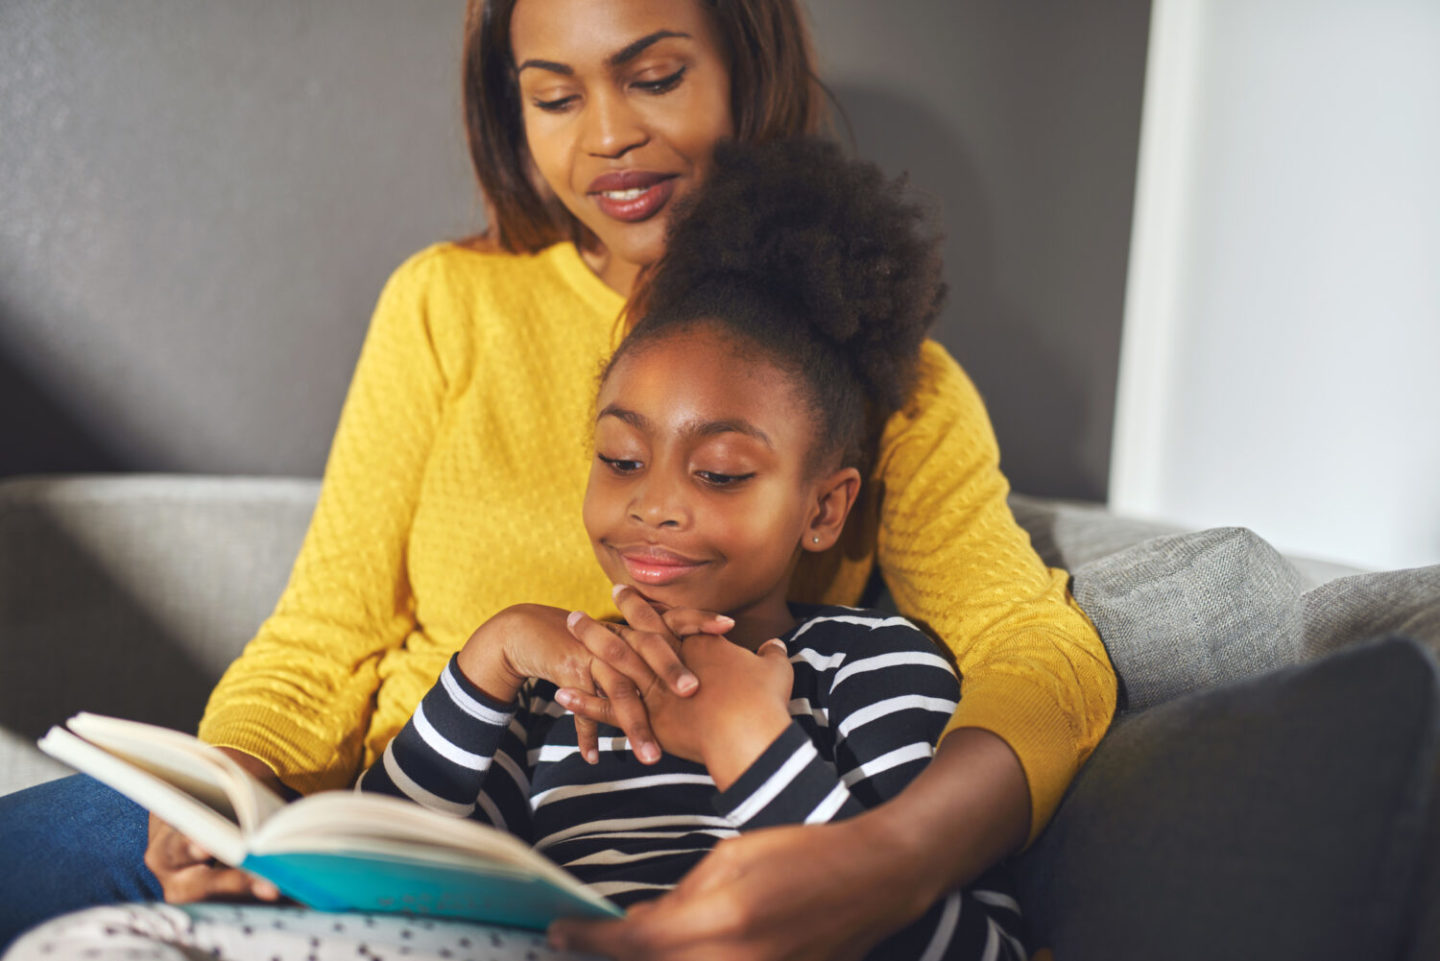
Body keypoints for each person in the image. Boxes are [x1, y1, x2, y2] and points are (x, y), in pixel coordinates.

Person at [0, 1, 1116, 957]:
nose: (610, 139)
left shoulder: (874, 374)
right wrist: (226, 787)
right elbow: (318, 640)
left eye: (657, 76)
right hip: (403, 821)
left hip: (688, 860)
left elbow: (1035, 652)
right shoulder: (448, 305)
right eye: (555, 96)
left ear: (745, 63)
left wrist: (890, 859)